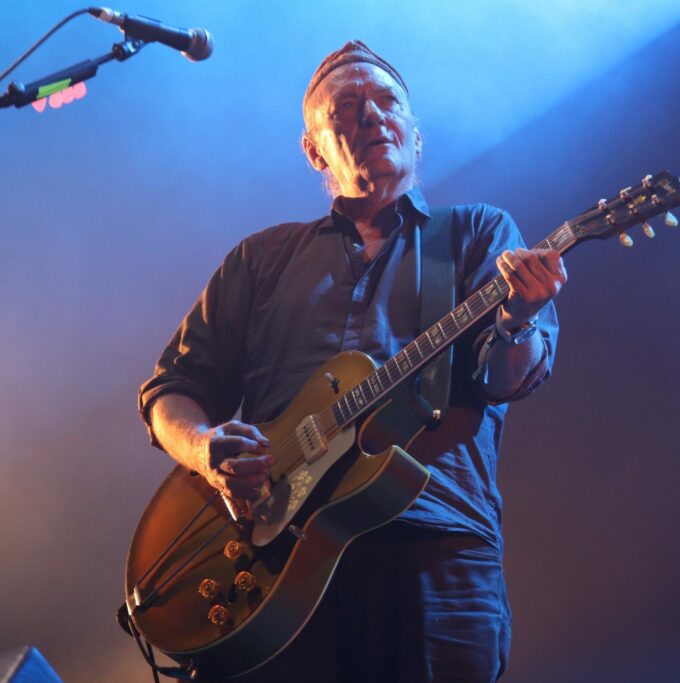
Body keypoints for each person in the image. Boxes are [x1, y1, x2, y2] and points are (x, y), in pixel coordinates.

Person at [138, 41, 566, 682]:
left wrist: (519, 317)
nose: (371, 115)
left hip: (431, 548)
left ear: (415, 134)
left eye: (387, 101)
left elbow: (508, 379)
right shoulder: (261, 258)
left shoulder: (474, 234)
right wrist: (202, 450)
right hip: (268, 560)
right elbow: (172, 388)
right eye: (346, 106)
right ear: (314, 149)